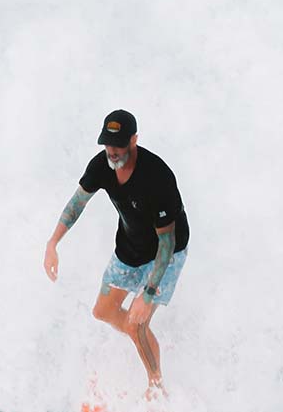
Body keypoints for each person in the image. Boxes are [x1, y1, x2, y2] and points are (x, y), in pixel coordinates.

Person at [44, 110, 190, 391]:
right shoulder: (102, 165)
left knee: (137, 323)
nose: (112, 151)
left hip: (167, 252)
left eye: (119, 145)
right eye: (108, 144)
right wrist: (53, 243)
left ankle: (156, 387)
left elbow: (167, 243)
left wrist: (147, 294)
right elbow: (77, 204)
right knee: (102, 311)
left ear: (134, 140)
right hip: (131, 246)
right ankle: (144, 337)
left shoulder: (157, 176)